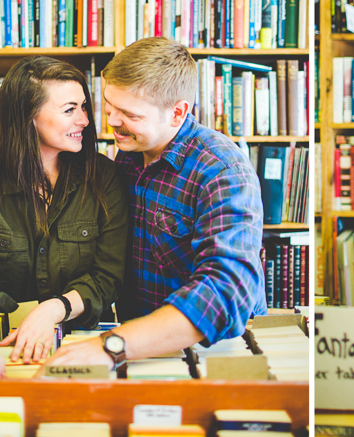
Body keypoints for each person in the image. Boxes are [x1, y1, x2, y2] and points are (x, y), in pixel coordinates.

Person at [44, 37, 267, 370]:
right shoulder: (129, 154)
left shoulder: (222, 168)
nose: (111, 121)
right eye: (108, 104)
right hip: (140, 350)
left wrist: (112, 346)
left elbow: (226, 291)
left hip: (215, 353)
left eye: (129, 113)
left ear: (177, 113)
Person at [0, 56, 129, 378]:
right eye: (70, 109)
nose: (85, 120)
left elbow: (108, 277)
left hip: (81, 344)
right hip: (4, 346)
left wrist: (52, 310)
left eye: (84, 107)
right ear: (28, 117)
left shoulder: (105, 177)